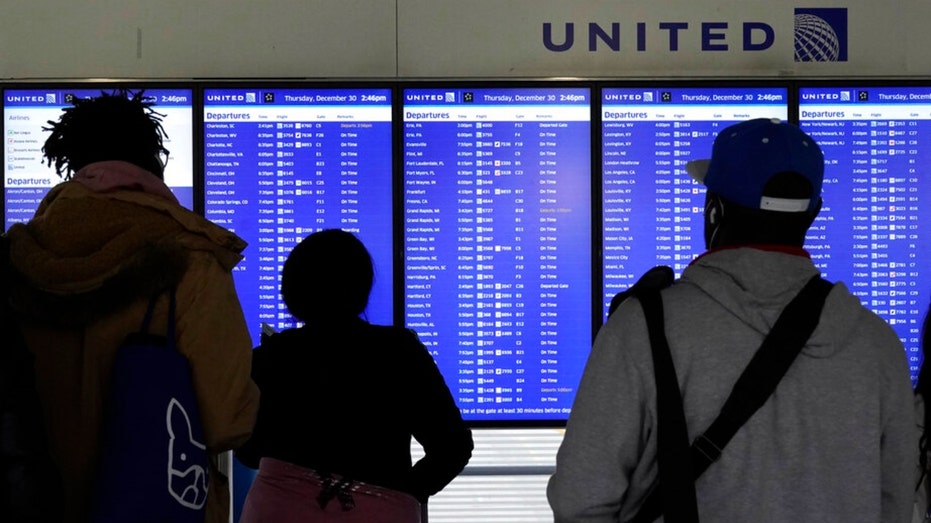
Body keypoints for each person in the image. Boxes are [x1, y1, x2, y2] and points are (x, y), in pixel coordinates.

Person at [548, 118, 917, 522]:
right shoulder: (879, 345)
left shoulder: (643, 328)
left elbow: (579, 499)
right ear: (813, 216)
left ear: (715, 211)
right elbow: (895, 501)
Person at [5, 90, 259, 523]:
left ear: (74, 164)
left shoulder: (14, 259)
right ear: (152, 162)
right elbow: (226, 420)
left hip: (33, 504)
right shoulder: (192, 262)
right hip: (154, 504)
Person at [235, 228, 473, 523]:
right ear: (362, 286)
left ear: (292, 291)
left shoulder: (269, 357)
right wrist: (399, 495)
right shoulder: (400, 351)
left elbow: (247, 451)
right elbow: (453, 447)